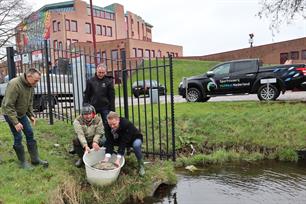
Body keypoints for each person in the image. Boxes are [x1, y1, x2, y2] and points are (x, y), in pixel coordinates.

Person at [1, 68, 48, 169]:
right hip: (10, 114)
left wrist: (31, 115)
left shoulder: (31, 85)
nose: (37, 83)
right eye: (36, 80)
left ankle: (35, 159)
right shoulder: (15, 84)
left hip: (21, 113)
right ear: (29, 76)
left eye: (38, 80)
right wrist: (15, 122)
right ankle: (23, 162)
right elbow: (8, 106)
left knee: (30, 133)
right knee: (18, 137)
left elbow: (29, 102)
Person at [102, 111, 145, 176]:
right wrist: (106, 158)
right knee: (104, 141)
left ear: (118, 120)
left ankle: (141, 165)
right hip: (119, 138)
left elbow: (123, 142)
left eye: (114, 124)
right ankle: (110, 157)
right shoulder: (107, 125)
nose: (112, 126)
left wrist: (118, 159)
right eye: (110, 124)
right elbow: (109, 140)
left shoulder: (126, 124)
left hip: (134, 138)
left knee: (136, 145)